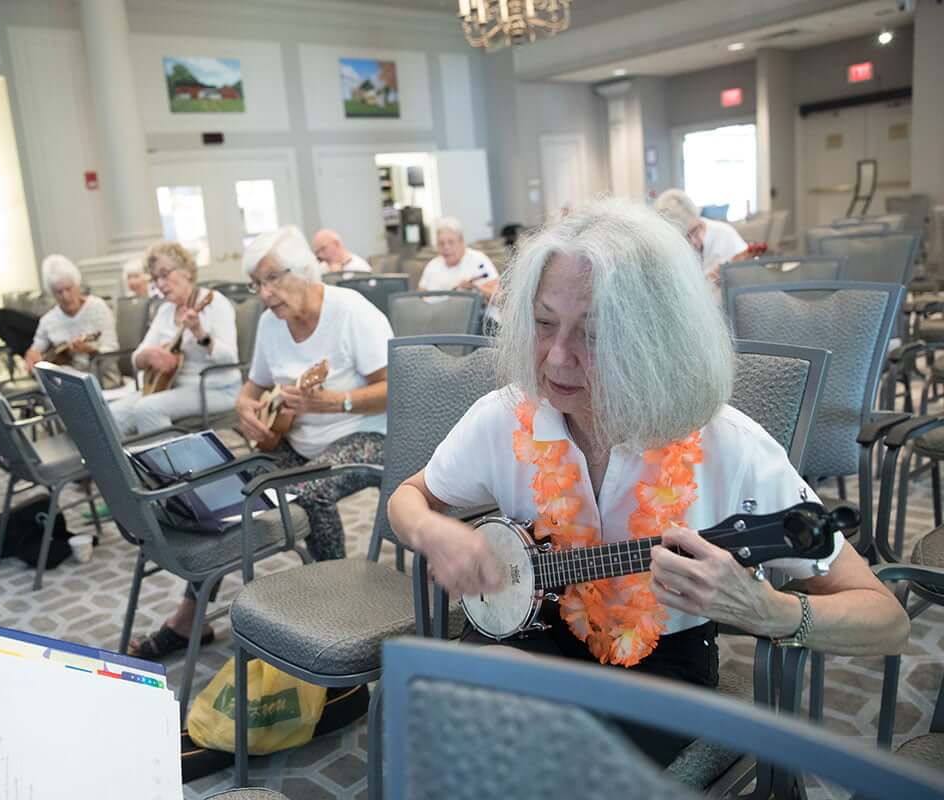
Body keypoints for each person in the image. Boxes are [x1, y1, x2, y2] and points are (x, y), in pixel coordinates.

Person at [387, 198, 911, 765]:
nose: (557, 359)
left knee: (566, 771)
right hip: (525, 634)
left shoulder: (728, 444)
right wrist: (432, 533)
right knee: (436, 733)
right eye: (543, 324)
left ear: (656, 340)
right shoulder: (504, 416)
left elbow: (887, 620)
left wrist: (774, 613)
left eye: (592, 334)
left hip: (661, 668)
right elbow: (409, 498)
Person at [129, 225, 392, 659]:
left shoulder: (351, 312)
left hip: (369, 437)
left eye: (272, 279)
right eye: (257, 283)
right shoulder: (272, 323)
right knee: (221, 495)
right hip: (295, 441)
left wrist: (336, 403)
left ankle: (342, 615)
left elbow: (397, 387)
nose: (264, 293)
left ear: (304, 270)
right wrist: (248, 411)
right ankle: (189, 617)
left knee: (310, 492)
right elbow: (250, 390)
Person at [109, 241, 241, 437]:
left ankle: (173, 467)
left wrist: (200, 334)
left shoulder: (215, 303)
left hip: (215, 389)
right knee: (112, 414)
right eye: (155, 278)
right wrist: (149, 356)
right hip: (170, 387)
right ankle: (129, 467)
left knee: (148, 409)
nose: (160, 284)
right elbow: (137, 359)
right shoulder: (165, 311)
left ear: (186, 271)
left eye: (165, 274)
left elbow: (229, 359)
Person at [24, 254, 121, 387]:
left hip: (102, 379)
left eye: (69, 289)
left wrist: (90, 350)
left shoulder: (97, 307)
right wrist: (32, 356)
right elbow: (36, 349)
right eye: (59, 292)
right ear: (52, 293)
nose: (65, 296)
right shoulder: (48, 320)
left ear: (77, 285)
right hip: (64, 383)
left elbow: (112, 350)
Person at [654, 188, 749, 289]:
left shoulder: (726, 234)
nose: (694, 242)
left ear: (697, 218)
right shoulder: (666, 251)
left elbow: (747, 279)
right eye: (685, 238)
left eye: (695, 230)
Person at [417, 216, 498, 304]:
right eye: (441, 243)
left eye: (451, 242)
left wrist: (476, 289)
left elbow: (498, 298)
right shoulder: (433, 264)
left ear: (461, 242)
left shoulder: (478, 260)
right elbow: (419, 298)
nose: (446, 247)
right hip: (434, 315)